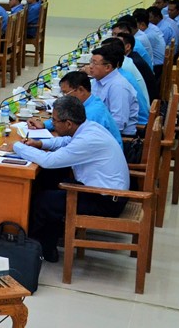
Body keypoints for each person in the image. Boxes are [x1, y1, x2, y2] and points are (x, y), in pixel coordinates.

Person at [14, 95, 129, 262]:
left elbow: (48, 161)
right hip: (105, 192)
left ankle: (38, 251)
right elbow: (67, 141)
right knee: (50, 181)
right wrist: (40, 144)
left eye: (54, 120)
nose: (52, 124)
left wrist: (17, 146)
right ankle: (50, 241)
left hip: (107, 201)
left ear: (68, 123)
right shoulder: (90, 127)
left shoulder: (87, 140)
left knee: (43, 201)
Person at [28, 71, 121, 146]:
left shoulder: (92, 113)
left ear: (80, 90)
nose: (64, 96)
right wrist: (44, 125)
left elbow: (72, 141)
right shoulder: (86, 102)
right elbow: (64, 118)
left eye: (66, 93)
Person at [88, 44, 139, 138]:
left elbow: (118, 124)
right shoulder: (96, 80)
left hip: (118, 137)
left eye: (94, 63)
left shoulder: (119, 86)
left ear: (107, 67)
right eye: (91, 62)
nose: (90, 66)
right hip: (98, 130)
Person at [101, 36, 152, 129]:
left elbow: (119, 122)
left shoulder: (120, 79)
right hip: (137, 116)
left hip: (138, 124)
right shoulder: (124, 63)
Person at [135, 8, 165, 78]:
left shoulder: (146, 36)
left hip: (158, 66)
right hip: (160, 63)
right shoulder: (150, 29)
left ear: (142, 24)